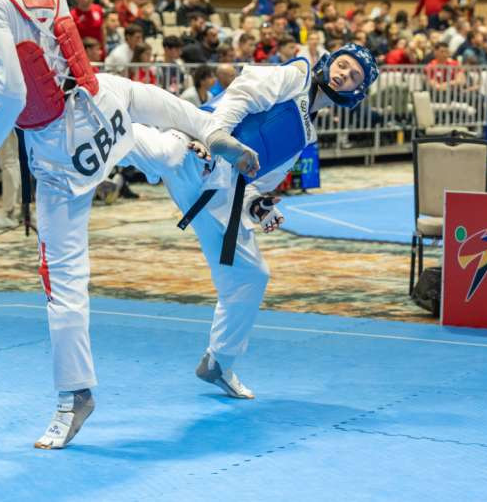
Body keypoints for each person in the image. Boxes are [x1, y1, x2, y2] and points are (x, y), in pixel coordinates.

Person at [0, 0, 253, 450]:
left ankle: (75, 396)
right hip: (101, 106)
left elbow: (11, 88)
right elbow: (65, 58)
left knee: (64, 279)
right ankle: (210, 135)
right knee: (152, 121)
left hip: (59, 152)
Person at [124, 44, 378, 399]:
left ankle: (219, 362)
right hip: (198, 147)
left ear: (355, 93)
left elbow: (256, 183)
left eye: (353, 77)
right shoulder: (297, 74)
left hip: (219, 193)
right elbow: (241, 95)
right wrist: (216, 139)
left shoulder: (307, 136)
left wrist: (259, 206)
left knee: (250, 275)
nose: (343, 75)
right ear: (330, 60)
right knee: (166, 154)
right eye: (343, 65)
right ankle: (93, 119)